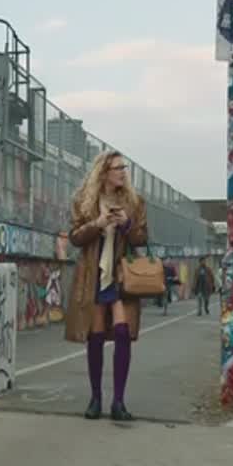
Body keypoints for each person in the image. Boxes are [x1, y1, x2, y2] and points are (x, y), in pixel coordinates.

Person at [64, 151, 148, 422]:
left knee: (123, 332)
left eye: (124, 167)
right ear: (104, 172)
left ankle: (118, 402)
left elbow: (142, 238)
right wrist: (97, 224)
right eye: (118, 168)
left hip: (121, 277)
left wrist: (127, 224)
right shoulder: (84, 201)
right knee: (96, 336)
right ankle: (96, 398)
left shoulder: (134, 202)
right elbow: (75, 237)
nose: (123, 172)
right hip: (94, 275)